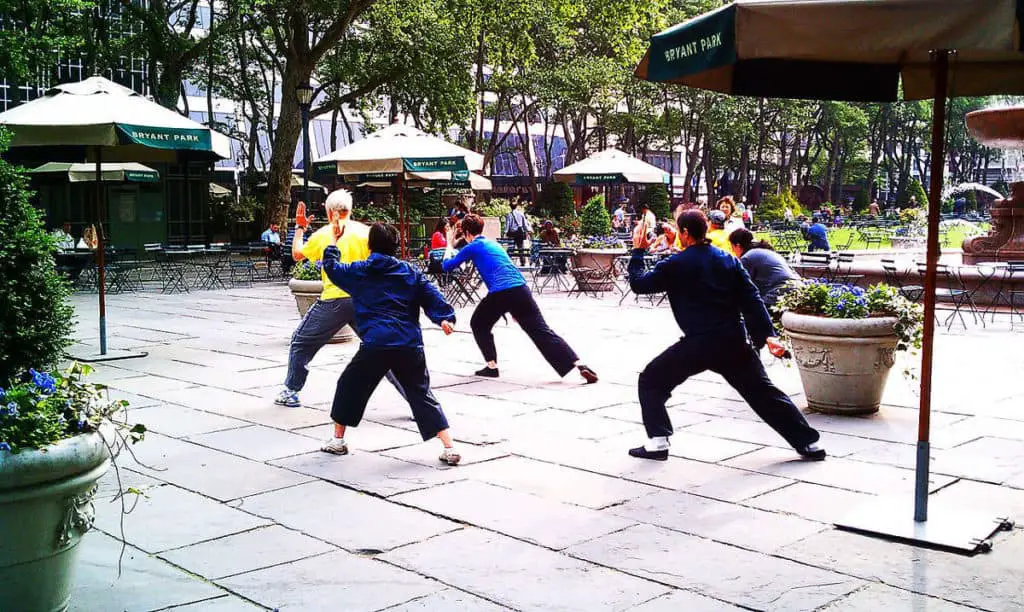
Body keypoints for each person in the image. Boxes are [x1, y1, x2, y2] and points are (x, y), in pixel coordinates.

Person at [626, 210, 826, 461]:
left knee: (651, 381)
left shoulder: (676, 264)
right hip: (733, 340)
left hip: (699, 342)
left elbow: (639, 284)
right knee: (763, 393)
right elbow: (751, 297)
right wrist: (768, 335)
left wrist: (637, 249)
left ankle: (657, 443)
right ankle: (809, 444)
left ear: (685, 233)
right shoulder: (728, 260)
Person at [319, 223, 461, 465]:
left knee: (349, 386)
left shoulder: (359, 271)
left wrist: (334, 240)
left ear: (369, 245)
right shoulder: (410, 272)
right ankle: (449, 447)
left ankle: (338, 441)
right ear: (396, 246)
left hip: (376, 344)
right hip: (409, 344)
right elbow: (432, 295)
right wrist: (444, 318)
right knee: (420, 393)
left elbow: (332, 268)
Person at [274, 190, 403, 408]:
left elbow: (296, 254)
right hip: (365, 300)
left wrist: (299, 227)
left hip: (334, 299)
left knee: (300, 342)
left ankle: (291, 391)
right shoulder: (367, 232)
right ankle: (416, 399)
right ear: (350, 209)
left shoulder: (323, 234)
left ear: (329, 210)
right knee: (383, 349)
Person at [442, 214, 598, 383]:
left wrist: (449, 243)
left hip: (500, 292)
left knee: (479, 323)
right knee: (541, 331)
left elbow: (447, 266)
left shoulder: (473, 247)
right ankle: (578, 363)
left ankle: (492, 366)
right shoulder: (493, 244)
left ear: (466, 232)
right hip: (521, 290)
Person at [728, 228, 800, 309]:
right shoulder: (763, 251)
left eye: (732, 248)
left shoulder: (748, 257)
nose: (733, 252)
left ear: (737, 246)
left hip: (780, 292)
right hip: (796, 287)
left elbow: (741, 286)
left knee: (752, 311)